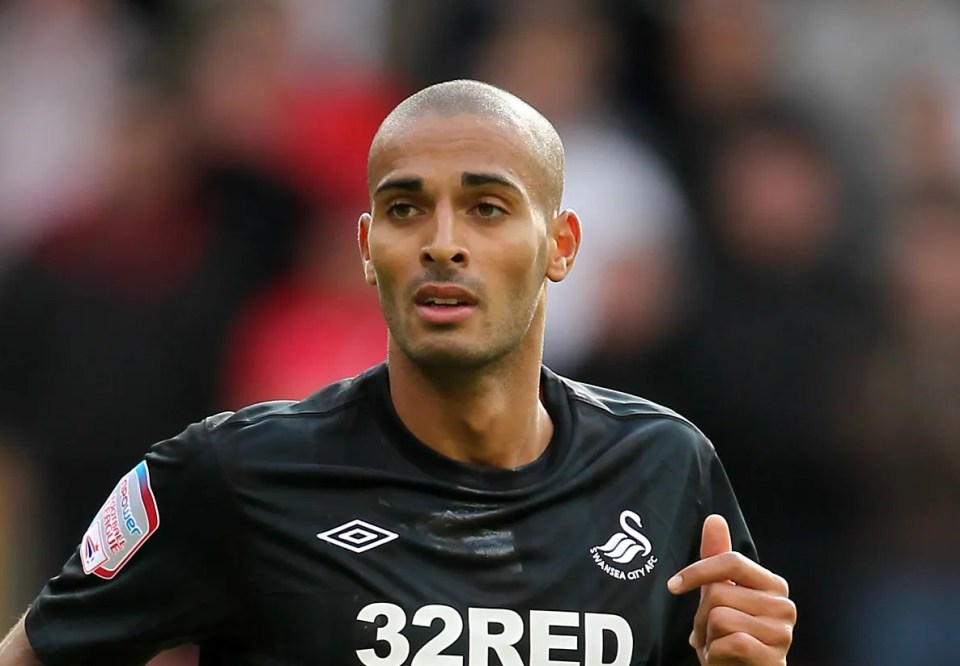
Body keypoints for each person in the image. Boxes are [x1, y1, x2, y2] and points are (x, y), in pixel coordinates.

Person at [0, 80, 795, 666]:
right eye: (407, 209)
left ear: (561, 246)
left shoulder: (664, 468)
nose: (442, 242)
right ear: (366, 248)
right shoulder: (231, 474)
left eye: (487, 207)